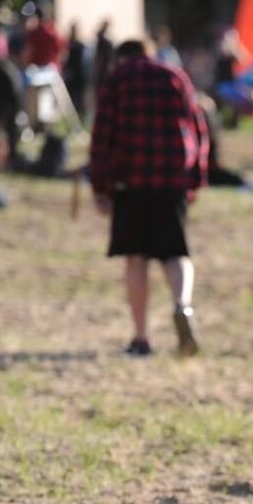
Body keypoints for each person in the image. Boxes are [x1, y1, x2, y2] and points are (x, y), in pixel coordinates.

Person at [89, 39, 209, 357]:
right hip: (172, 178)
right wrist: (196, 177)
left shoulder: (117, 79)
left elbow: (102, 135)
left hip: (130, 181)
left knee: (136, 257)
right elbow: (198, 128)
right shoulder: (175, 75)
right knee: (176, 252)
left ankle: (141, 338)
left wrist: (100, 187)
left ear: (121, 56)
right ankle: (182, 306)